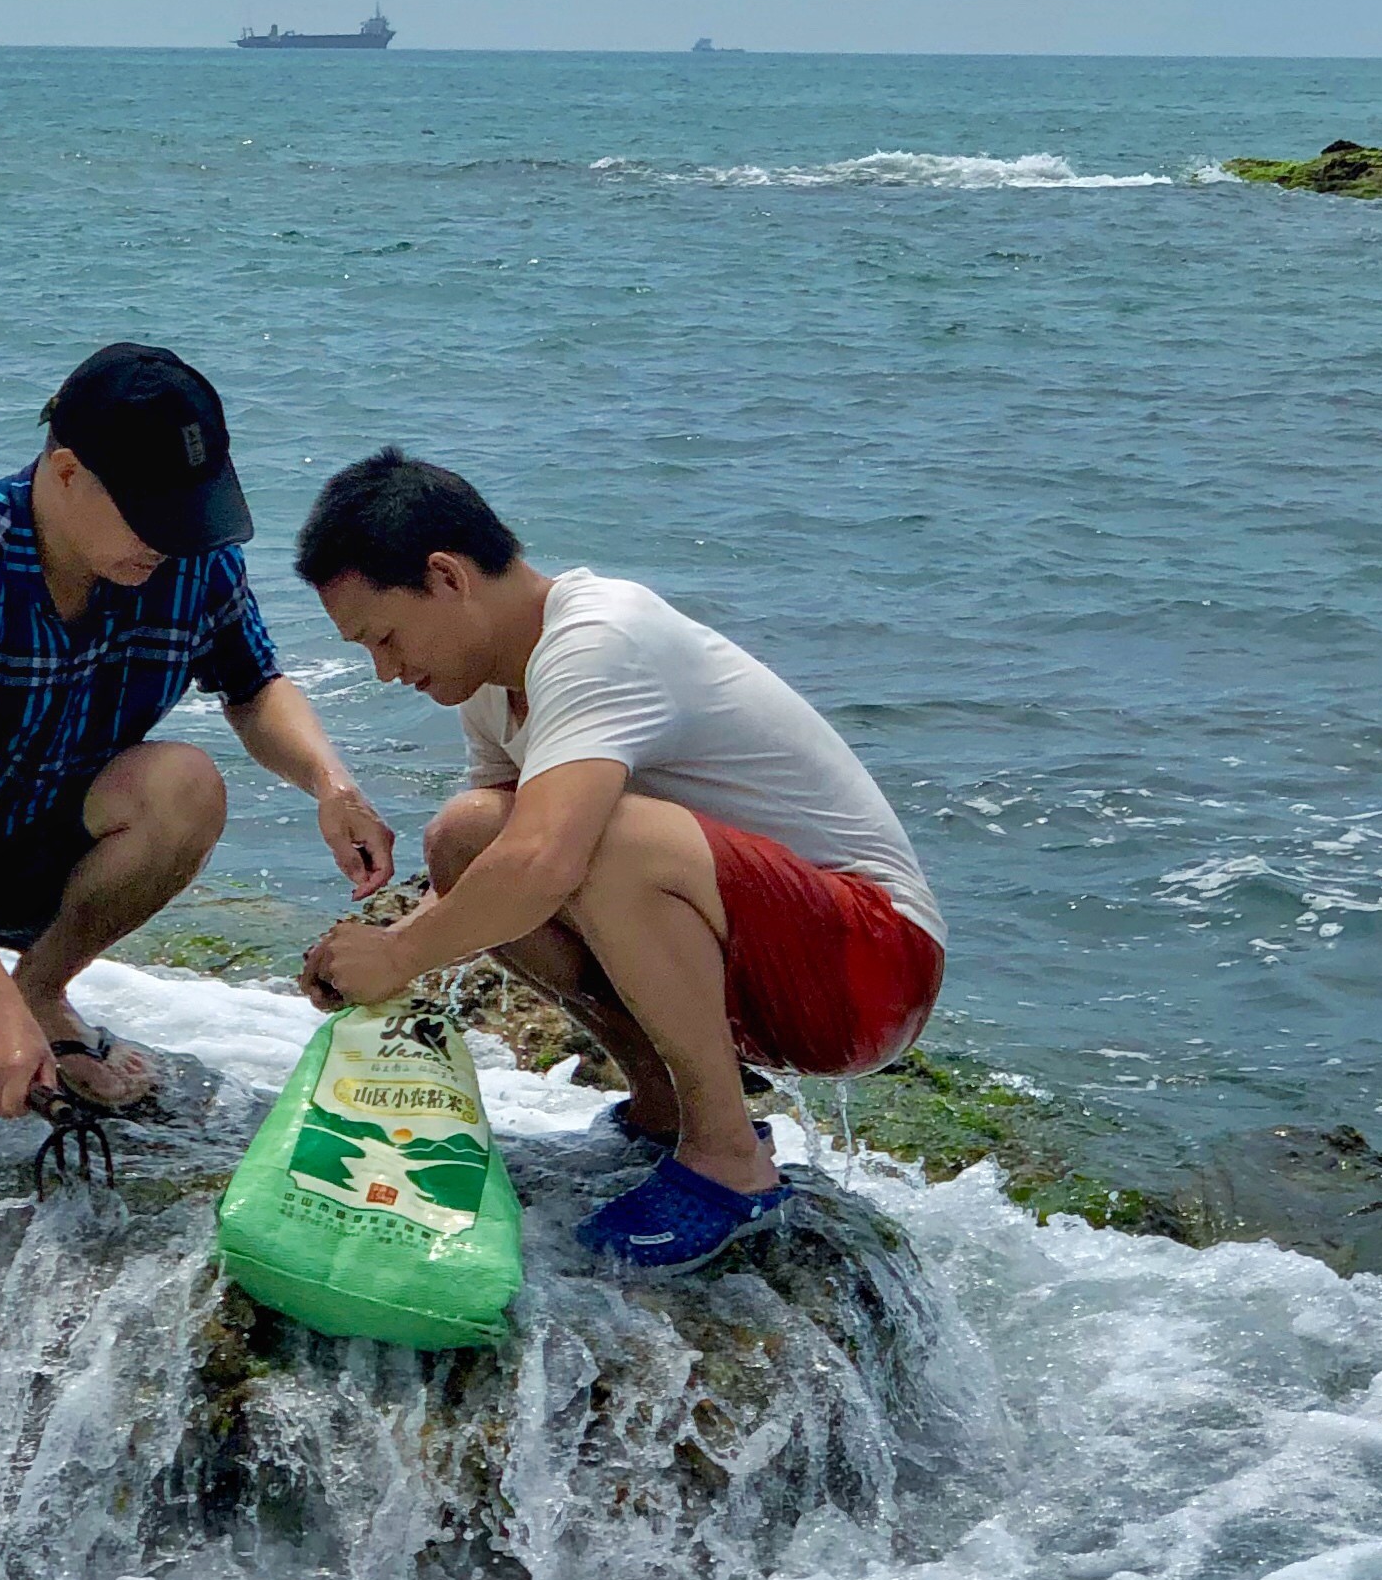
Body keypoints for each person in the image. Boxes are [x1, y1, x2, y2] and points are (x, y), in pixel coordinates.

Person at [291, 448, 943, 1269]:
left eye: (384, 638)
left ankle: (730, 1158)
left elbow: (546, 860)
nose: (384, 671)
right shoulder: (496, 681)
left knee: (592, 842)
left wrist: (400, 955)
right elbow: (498, 861)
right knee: (467, 836)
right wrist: (380, 946)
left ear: (447, 578)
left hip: (873, 965)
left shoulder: (600, 639)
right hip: (770, 952)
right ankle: (665, 1105)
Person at [0, 346, 392, 1150]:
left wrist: (331, 785)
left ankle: (46, 993)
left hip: (46, 863)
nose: (168, 541)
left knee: (186, 781)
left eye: (187, 512)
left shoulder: (193, 561)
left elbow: (254, 686)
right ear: (64, 473)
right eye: (148, 514)